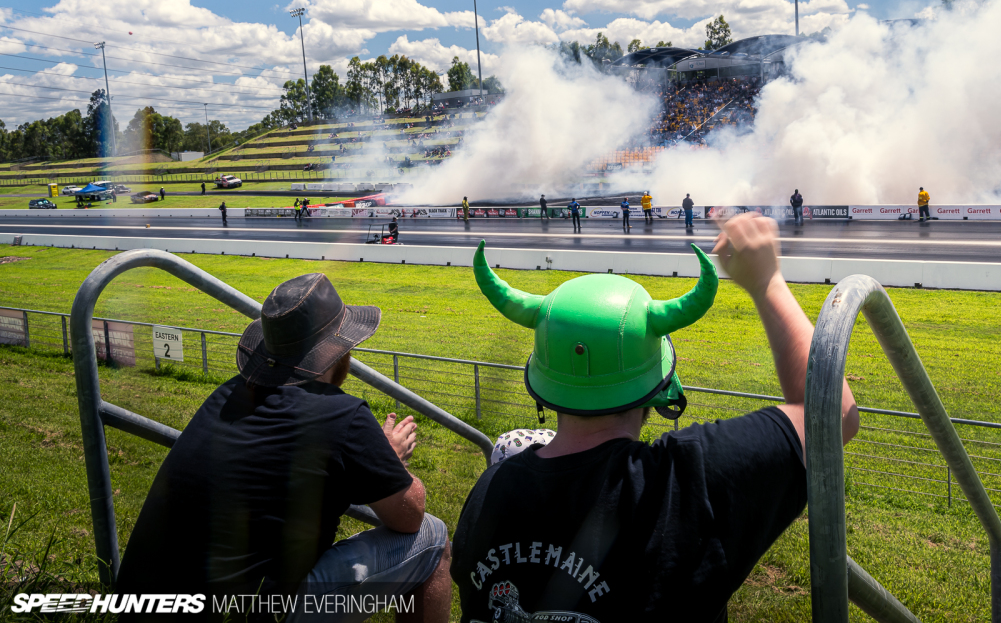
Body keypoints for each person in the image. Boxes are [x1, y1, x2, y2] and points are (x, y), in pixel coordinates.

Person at [453, 218, 859, 621]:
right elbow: (832, 414)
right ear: (659, 383)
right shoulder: (689, 479)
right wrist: (767, 281)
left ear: (542, 383)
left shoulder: (489, 490)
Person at [116, 274, 452, 620]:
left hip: (140, 607)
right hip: (249, 610)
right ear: (341, 350)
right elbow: (409, 516)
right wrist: (391, 461)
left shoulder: (226, 395)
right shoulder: (343, 414)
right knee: (435, 539)